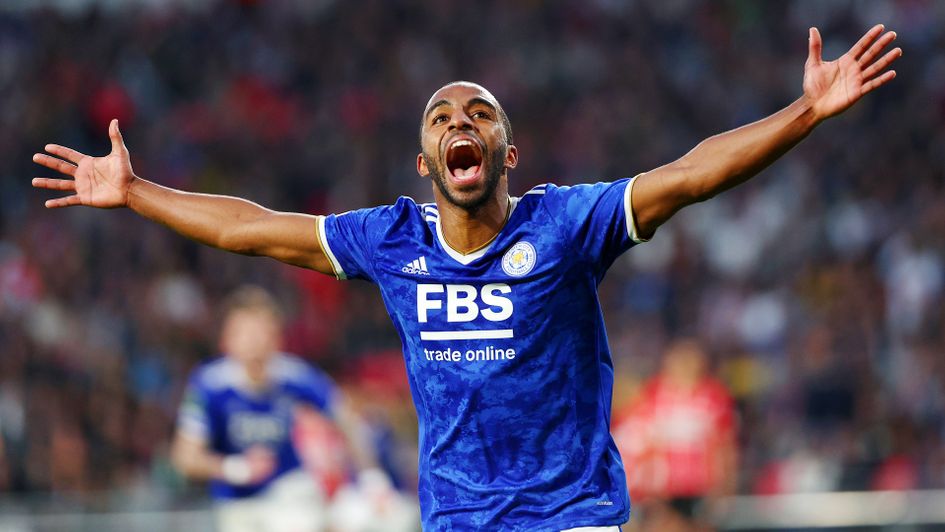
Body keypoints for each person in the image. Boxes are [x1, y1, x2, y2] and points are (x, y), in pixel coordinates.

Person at [32, 25, 900, 531]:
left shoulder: (564, 225)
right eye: (443, 116)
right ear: (425, 160)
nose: (461, 121)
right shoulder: (391, 240)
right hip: (454, 523)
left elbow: (687, 174)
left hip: (573, 520)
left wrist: (802, 114)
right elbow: (255, 228)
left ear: (504, 153)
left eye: (479, 113)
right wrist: (138, 192)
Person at [170, 285, 395, 532]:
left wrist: (372, 478)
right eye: (246, 332)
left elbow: (346, 420)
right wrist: (237, 468)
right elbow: (185, 458)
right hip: (237, 504)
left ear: (277, 337)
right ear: (227, 339)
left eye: (263, 331)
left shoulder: (296, 376)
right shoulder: (210, 385)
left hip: (290, 493)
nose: (255, 341)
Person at [613, 340, 736, 532]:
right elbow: (643, 435)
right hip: (663, 487)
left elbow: (725, 443)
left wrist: (724, 487)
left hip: (700, 483)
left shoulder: (714, 395)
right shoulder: (655, 392)